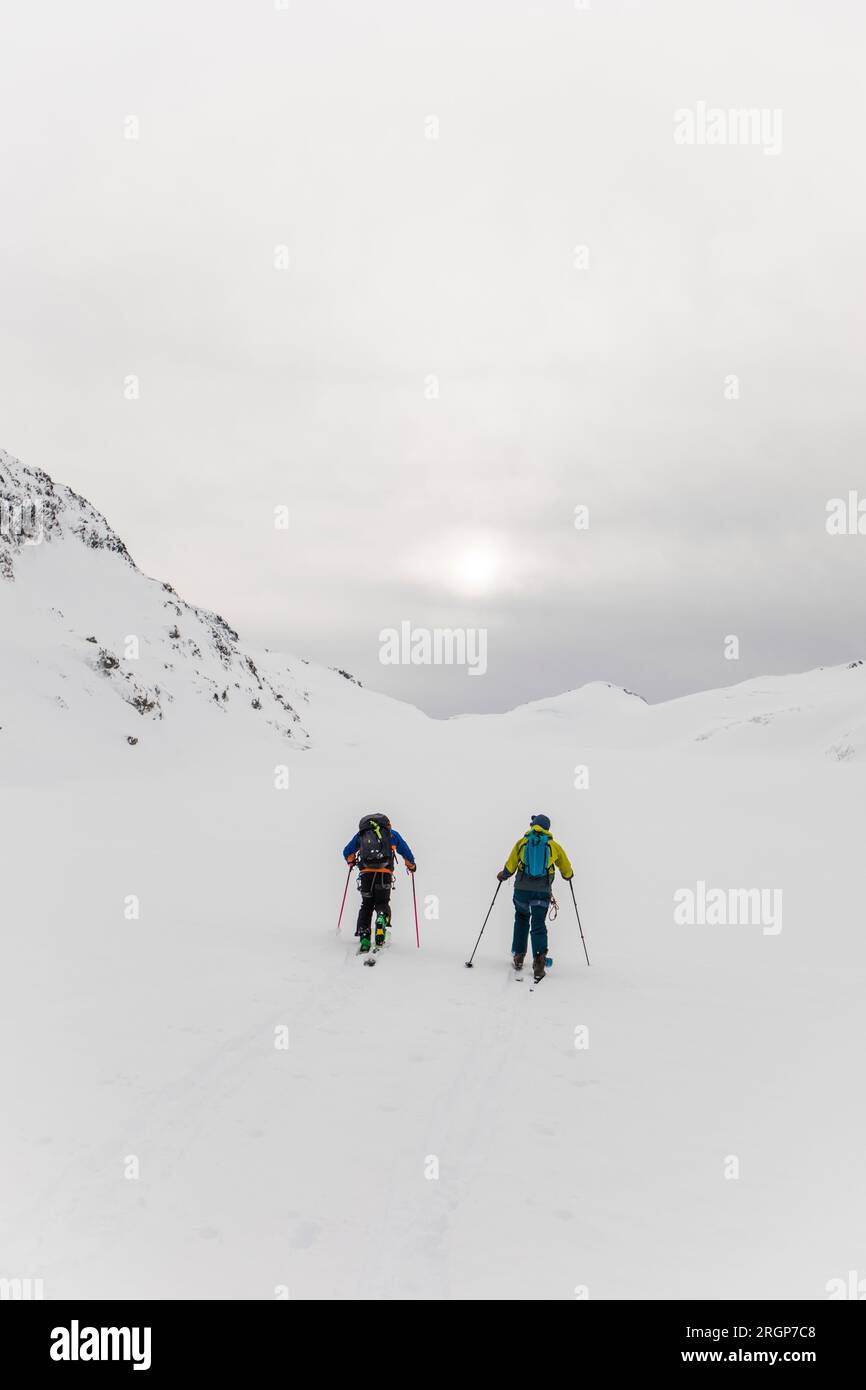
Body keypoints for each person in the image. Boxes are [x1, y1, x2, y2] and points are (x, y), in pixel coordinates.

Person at [497, 813, 573, 981]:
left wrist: (503, 875)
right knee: (538, 924)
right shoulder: (553, 845)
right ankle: (539, 963)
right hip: (542, 892)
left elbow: (510, 865)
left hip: (521, 891)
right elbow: (565, 867)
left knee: (522, 918)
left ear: (534, 826)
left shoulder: (522, 842)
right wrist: (568, 875)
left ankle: (518, 956)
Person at [342, 812, 416, 952]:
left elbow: (347, 851)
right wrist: (411, 866)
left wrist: (351, 861)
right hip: (385, 874)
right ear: (387, 824)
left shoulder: (362, 834)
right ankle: (381, 919)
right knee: (382, 903)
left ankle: (364, 935)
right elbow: (406, 851)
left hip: (366, 875)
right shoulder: (392, 834)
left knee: (366, 905)